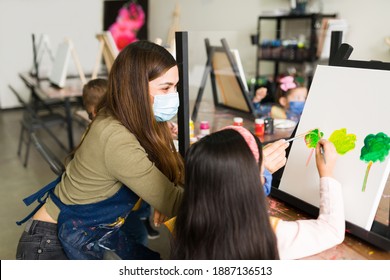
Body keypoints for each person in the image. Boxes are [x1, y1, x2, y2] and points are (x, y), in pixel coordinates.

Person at [16, 40, 184, 260]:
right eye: (166, 88)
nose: (173, 96)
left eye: (176, 87)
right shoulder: (116, 138)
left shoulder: (119, 115)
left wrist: (163, 190)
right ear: (135, 88)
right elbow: (174, 202)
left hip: (80, 233)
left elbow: (164, 189)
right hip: (49, 246)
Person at [170, 126, 345, 260]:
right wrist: (327, 174)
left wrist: (257, 169)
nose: (264, 179)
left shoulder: (185, 224)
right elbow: (331, 230)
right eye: (262, 174)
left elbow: (228, 191)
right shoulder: (267, 235)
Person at [82, 78, 160, 242]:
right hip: (112, 206)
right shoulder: (108, 138)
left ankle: (143, 218)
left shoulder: (95, 131)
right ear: (98, 112)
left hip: (107, 201)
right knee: (138, 235)